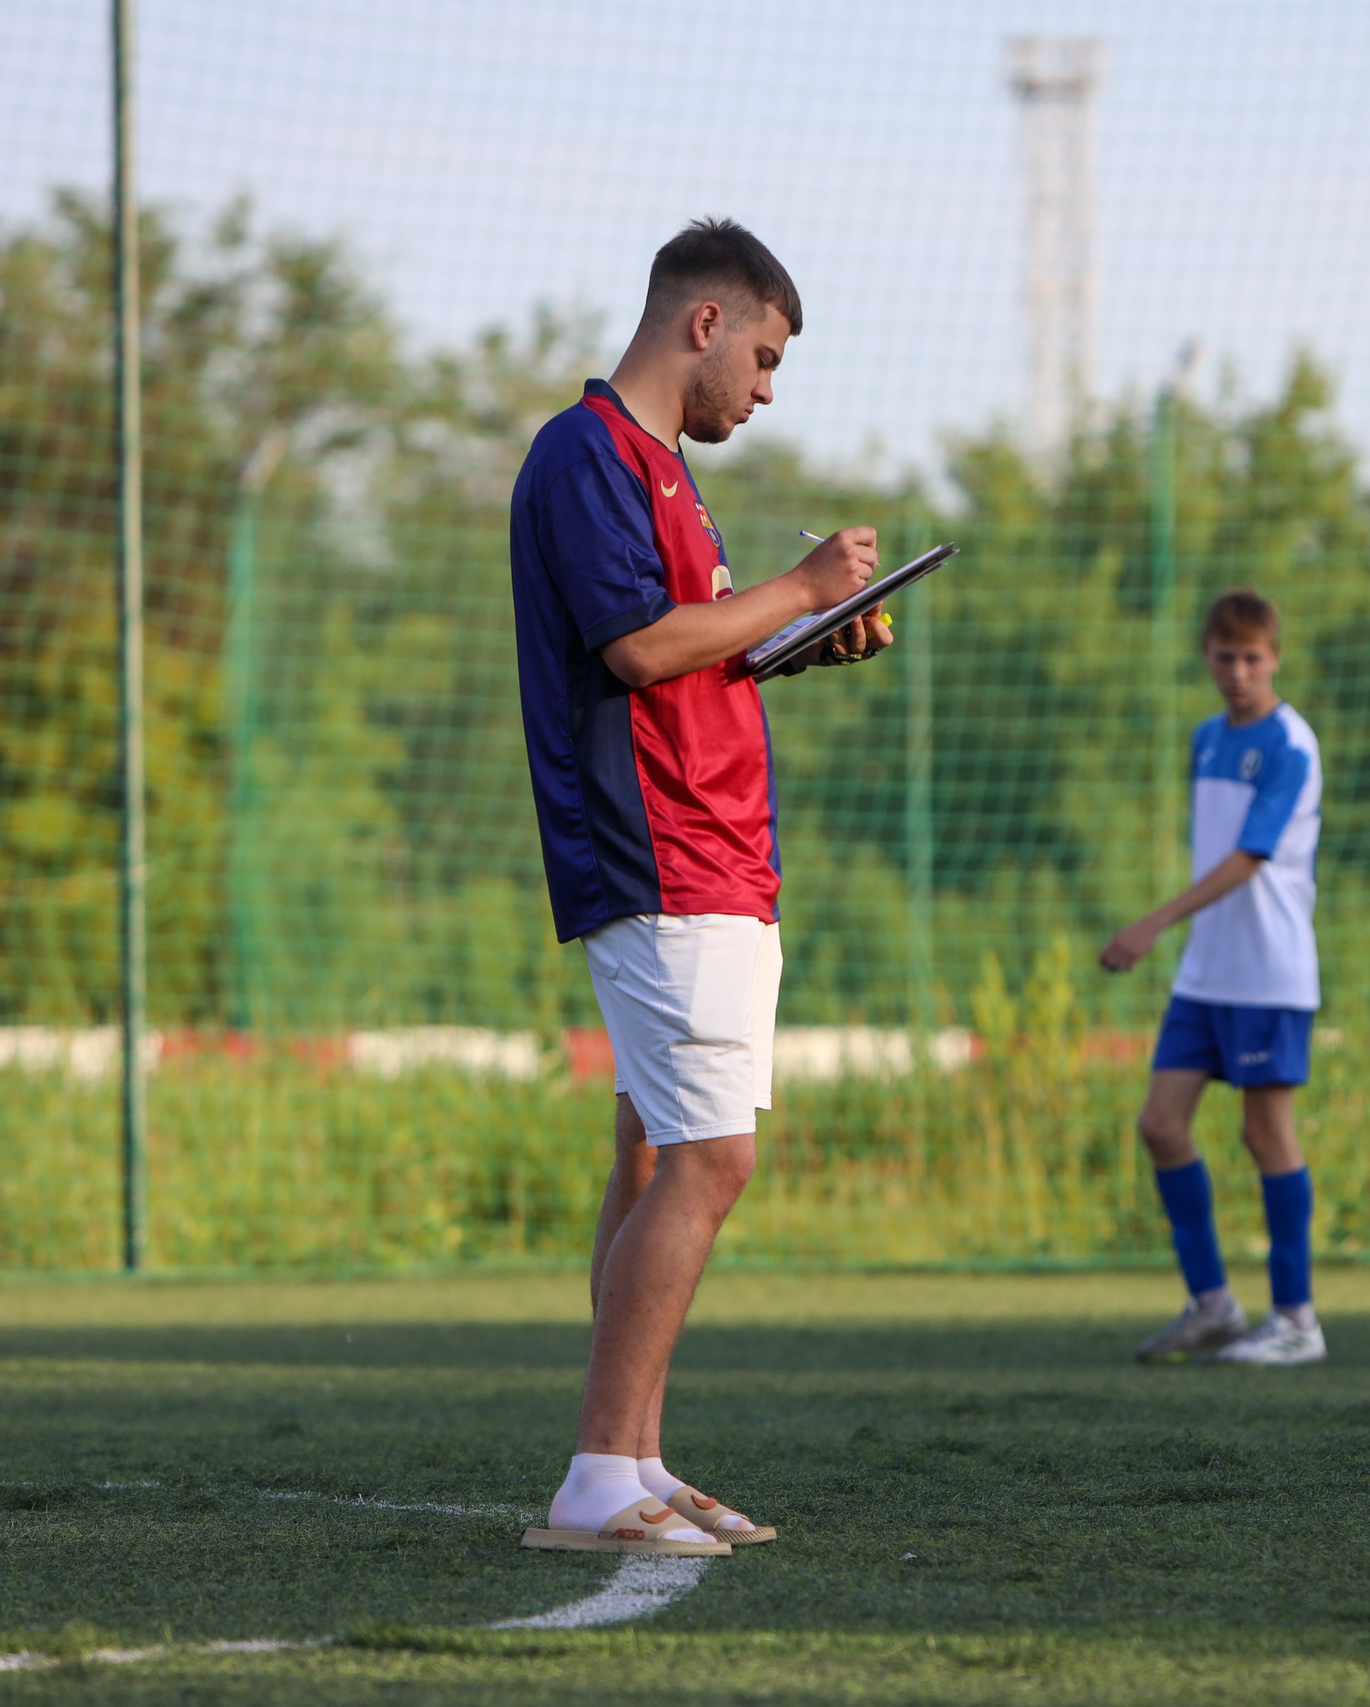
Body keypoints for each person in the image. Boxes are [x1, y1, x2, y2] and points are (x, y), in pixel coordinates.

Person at [510, 218, 891, 1555]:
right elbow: (637, 649)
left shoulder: (662, 470)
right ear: (708, 323)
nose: (768, 391)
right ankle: (600, 1468)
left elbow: (696, 651)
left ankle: (636, 1457)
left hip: (710, 846)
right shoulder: (591, 455)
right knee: (712, 1157)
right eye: (768, 359)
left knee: (661, 1151)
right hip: (665, 850)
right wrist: (793, 583)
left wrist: (799, 633)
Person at [1099, 589, 1326, 1367]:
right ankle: (1215, 1305)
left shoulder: (1292, 743)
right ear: (1207, 657)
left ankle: (1296, 1319)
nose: (1238, 672)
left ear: (1275, 658)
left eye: (1252, 658)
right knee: (1161, 1123)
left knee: (1266, 1133)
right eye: (1225, 657)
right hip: (1208, 972)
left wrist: (1155, 921)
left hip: (1269, 972)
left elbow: (1248, 858)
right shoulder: (1205, 738)